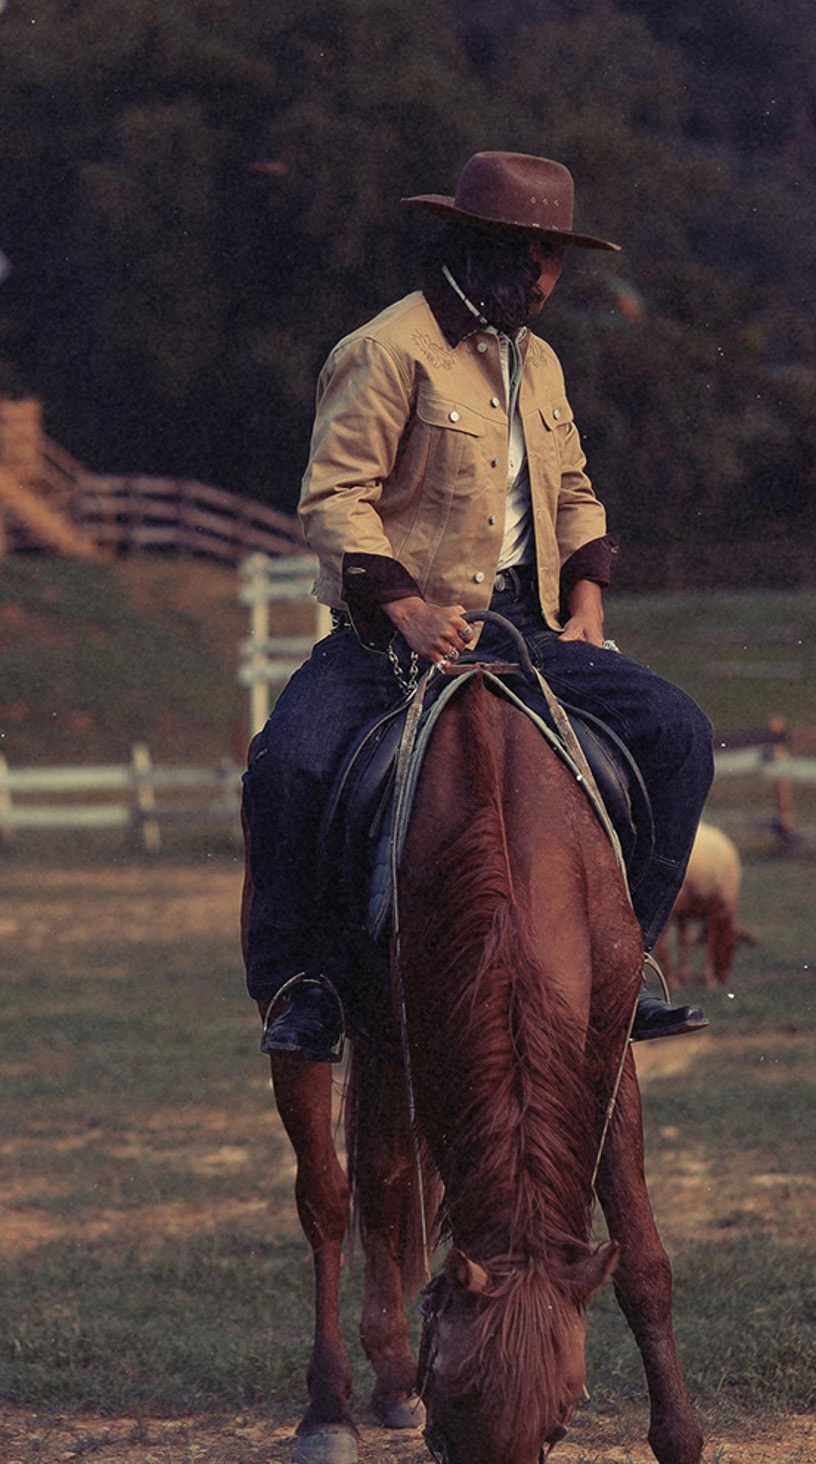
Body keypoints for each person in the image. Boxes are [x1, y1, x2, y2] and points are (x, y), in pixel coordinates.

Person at [243, 150, 714, 1060]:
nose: (539, 278)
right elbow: (333, 500)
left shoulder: (540, 364)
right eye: (522, 252)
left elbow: (573, 490)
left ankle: (630, 961)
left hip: (528, 632)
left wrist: (586, 606)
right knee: (286, 768)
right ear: (468, 243)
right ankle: (300, 986)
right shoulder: (383, 351)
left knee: (679, 734)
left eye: (553, 258)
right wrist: (406, 610)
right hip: (389, 640)